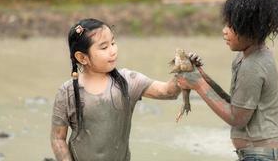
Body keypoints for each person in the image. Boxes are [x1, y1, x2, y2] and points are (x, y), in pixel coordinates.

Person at [176, 0, 278, 161]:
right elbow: (235, 105)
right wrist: (200, 75)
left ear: (250, 28)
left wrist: (199, 85)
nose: (224, 31)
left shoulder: (254, 64)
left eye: (232, 26)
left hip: (264, 156)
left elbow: (237, 118)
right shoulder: (246, 57)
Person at [50, 18, 181, 161]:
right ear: (82, 57)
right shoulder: (67, 92)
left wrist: (183, 71)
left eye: (113, 43)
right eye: (104, 47)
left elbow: (168, 92)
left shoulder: (128, 81)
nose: (113, 51)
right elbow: (58, 138)